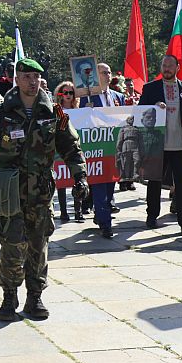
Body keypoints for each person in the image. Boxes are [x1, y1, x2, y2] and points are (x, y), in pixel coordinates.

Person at [0, 58, 88, 322]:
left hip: (41, 191)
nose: (32, 82)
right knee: (12, 243)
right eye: (27, 76)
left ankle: (35, 296)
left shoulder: (55, 113)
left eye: (36, 77)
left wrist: (80, 178)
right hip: (10, 191)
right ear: (16, 79)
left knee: (39, 243)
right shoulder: (1, 114)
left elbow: (71, 148)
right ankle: (9, 296)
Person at [139, 54, 182, 236]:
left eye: (170, 66)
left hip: (180, 145)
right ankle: (152, 216)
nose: (166, 68)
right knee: (154, 182)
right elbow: (140, 112)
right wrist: (153, 108)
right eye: (164, 65)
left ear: (177, 68)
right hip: (158, 145)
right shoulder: (150, 88)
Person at [78, 62, 126, 238]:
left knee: (110, 185)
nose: (107, 75)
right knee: (98, 185)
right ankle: (106, 224)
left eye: (109, 72)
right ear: (96, 77)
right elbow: (81, 120)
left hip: (113, 148)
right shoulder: (87, 97)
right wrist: (86, 110)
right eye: (103, 72)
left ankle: (100, 214)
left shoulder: (117, 96)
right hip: (97, 148)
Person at [53, 81, 82, 222]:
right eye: (66, 92)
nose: (69, 95)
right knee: (61, 181)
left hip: (75, 149)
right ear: (60, 94)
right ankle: (63, 212)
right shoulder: (56, 111)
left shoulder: (81, 110)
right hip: (60, 151)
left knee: (78, 179)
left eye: (71, 92)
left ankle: (78, 211)